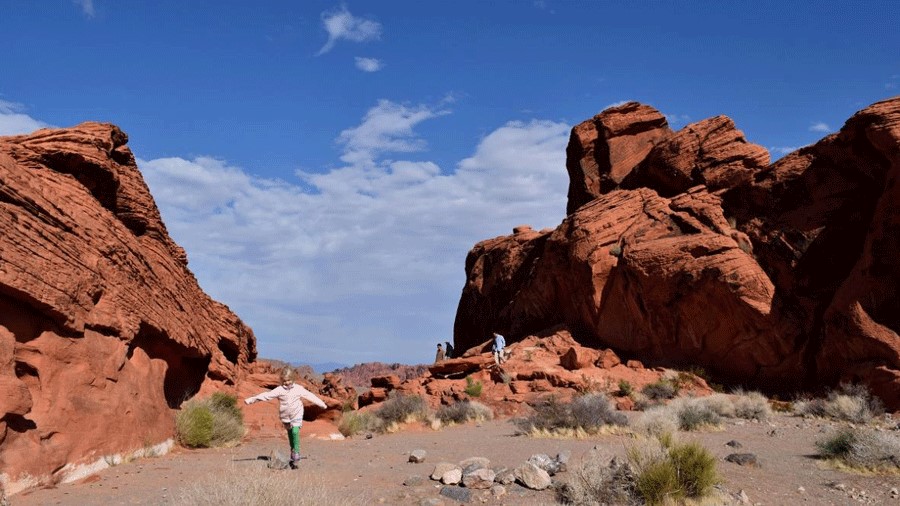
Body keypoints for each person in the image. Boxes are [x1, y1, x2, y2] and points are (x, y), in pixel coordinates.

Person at [244, 367, 327, 469]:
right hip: (285, 416)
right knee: (290, 433)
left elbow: (310, 396)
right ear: (282, 380)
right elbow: (267, 395)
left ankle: (296, 452)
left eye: (289, 380)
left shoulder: (298, 389)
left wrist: (322, 404)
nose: (287, 383)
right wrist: (251, 400)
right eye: (284, 381)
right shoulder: (280, 390)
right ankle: (292, 449)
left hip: (297, 414)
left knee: (295, 432)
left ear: (293, 379)